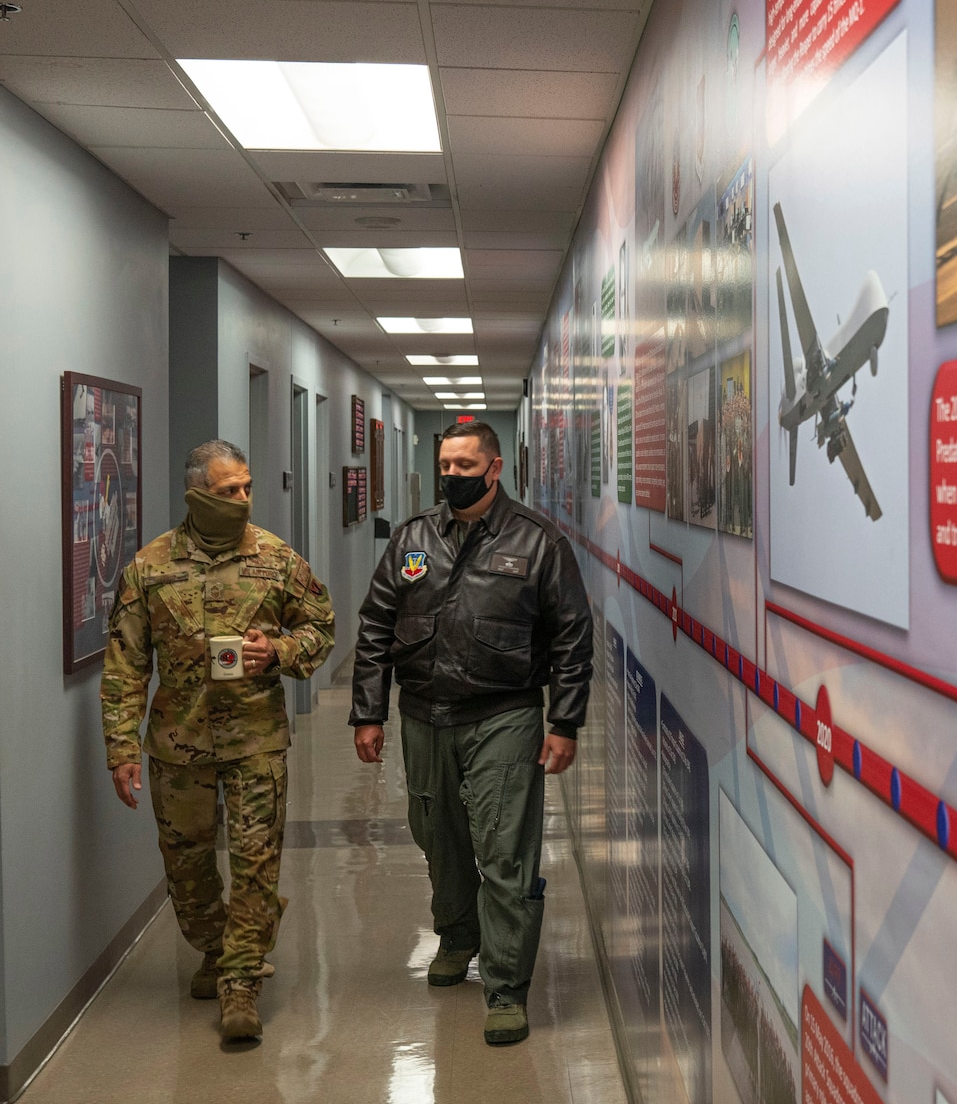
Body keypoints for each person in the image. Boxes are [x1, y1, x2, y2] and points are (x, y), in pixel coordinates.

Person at [349, 420, 591, 1046]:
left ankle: (506, 986)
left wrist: (564, 720)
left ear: (495, 467)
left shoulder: (538, 542)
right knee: (438, 833)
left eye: (464, 465)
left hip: (503, 712)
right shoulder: (412, 538)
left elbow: (571, 636)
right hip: (423, 713)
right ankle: (456, 936)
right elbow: (376, 624)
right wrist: (368, 711)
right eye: (445, 466)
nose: (452, 475)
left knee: (503, 846)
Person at [101, 440, 336, 1044]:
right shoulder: (150, 567)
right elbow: (125, 666)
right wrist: (121, 748)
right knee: (188, 871)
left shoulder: (276, 560)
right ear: (197, 495)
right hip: (177, 747)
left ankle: (240, 982)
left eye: (247, 487)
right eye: (228, 490)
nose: (242, 499)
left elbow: (322, 627)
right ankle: (216, 947)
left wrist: (277, 652)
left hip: (256, 739)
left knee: (257, 863)